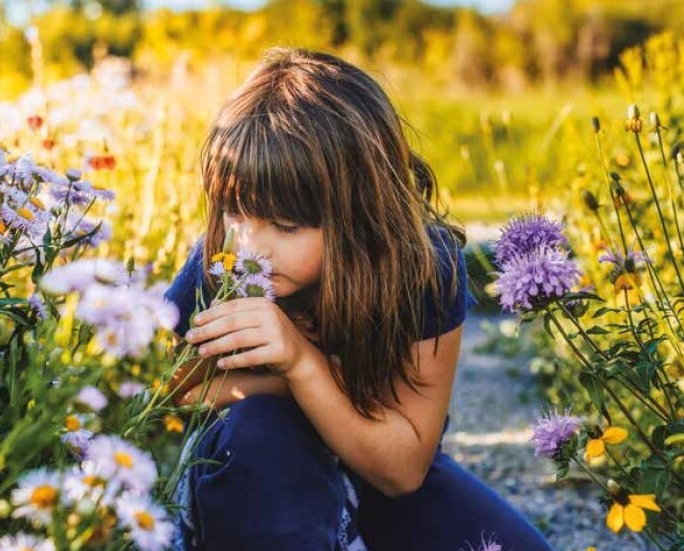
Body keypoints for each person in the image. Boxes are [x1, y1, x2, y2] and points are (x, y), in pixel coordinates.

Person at [162, 48, 553, 551]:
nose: (249, 246)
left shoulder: (423, 270)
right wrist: (292, 384)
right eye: (236, 213)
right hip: (261, 469)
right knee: (263, 442)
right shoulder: (224, 263)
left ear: (360, 216)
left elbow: (403, 469)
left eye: (285, 225)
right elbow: (174, 390)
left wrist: (303, 362)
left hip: (375, 464)